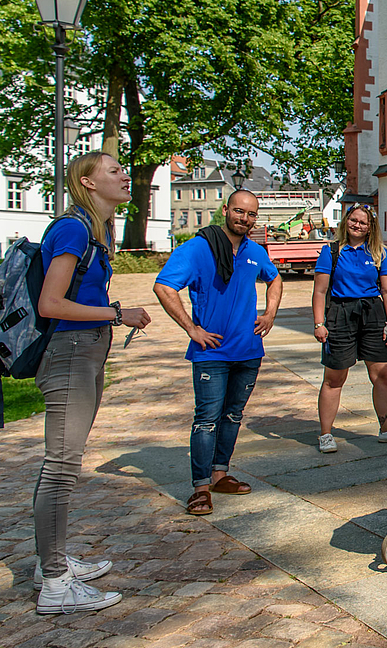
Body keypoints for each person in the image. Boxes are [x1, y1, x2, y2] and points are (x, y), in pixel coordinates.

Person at [32, 152, 152, 614]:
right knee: (61, 466)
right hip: (69, 354)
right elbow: (51, 303)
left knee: (63, 464)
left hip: (85, 351)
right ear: (87, 181)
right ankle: (57, 585)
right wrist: (118, 313)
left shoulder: (94, 230)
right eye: (114, 171)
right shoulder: (74, 228)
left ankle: (51, 563)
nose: (125, 176)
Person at [154, 190, 283, 517]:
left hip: (248, 350)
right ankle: (200, 488)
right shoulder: (199, 249)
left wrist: (269, 314)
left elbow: (275, 279)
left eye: (251, 214)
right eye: (239, 211)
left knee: (232, 415)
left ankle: (219, 474)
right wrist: (191, 328)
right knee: (207, 420)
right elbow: (164, 286)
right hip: (210, 351)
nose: (245, 219)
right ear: (225, 210)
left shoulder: (255, 251)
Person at [312, 204, 387, 453]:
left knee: (382, 375)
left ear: (370, 227)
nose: (357, 225)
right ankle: (326, 434)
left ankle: (386, 430)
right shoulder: (331, 251)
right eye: (353, 220)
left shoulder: (380, 253)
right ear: (346, 222)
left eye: (362, 222)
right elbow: (320, 291)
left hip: (372, 315)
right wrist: (319, 323)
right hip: (340, 314)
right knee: (334, 378)